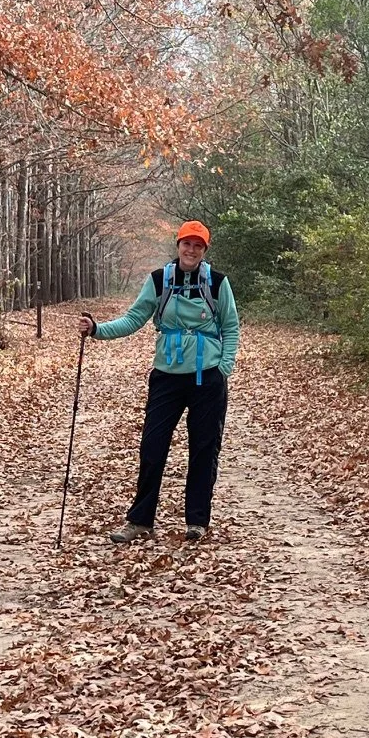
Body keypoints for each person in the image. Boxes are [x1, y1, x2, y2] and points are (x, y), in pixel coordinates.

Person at [78, 221, 240, 543]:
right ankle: (140, 520)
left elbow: (231, 326)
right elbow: (133, 319)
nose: (191, 250)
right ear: (178, 245)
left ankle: (197, 521)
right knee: (153, 447)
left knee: (204, 449)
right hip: (166, 376)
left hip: (207, 376)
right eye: (186, 244)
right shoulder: (159, 280)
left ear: (204, 250)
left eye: (198, 245)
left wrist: (223, 368)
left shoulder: (218, 283)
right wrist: (97, 330)